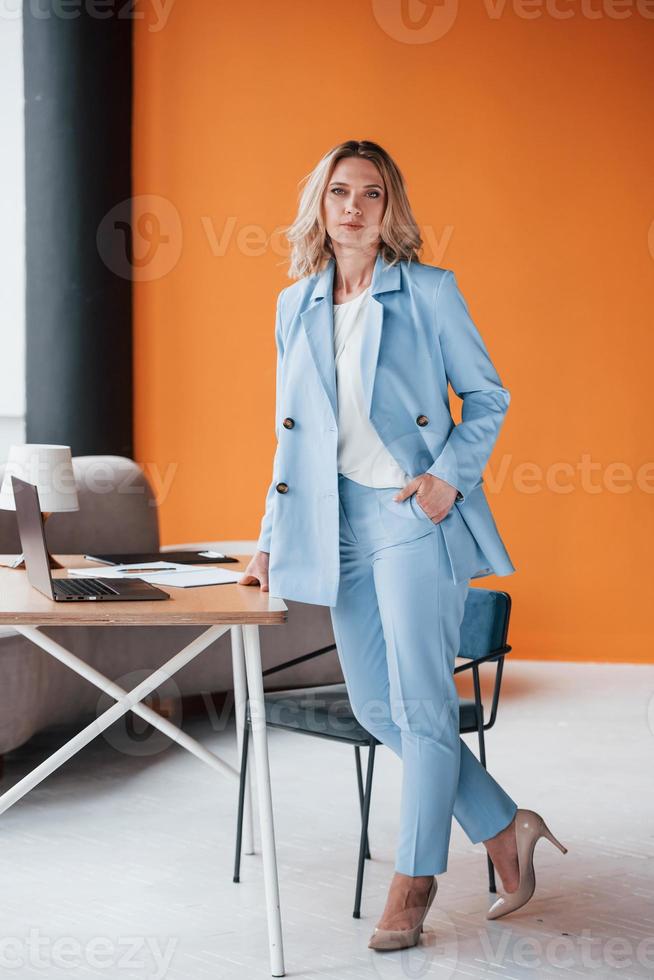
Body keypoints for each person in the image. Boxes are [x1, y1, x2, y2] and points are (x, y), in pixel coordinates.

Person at [241, 139, 567, 951]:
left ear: (391, 211)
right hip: (334, 522)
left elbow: (488, 394)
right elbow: (292, 440)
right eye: (340, 192)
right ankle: (503, 825)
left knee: (421, 703)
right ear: (320, 204)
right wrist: (266, 540)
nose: (354, 207)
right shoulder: (294, 305)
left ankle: (415, 879)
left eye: (372, 194)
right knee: (377, 705)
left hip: (410, 514)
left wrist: (447, 478)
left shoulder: (427, 292)